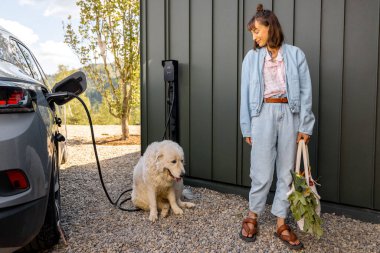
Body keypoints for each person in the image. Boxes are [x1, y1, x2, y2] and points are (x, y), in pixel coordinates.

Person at [239, 3, 315, 250]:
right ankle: (253, 216)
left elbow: (305, 92)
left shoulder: (295, 54)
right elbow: (245, 94)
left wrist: (305, 124)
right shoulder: (251, 58)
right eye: (252, 32)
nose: (254, 36)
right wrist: (247, 127)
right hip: (262, 114)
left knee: (286, 171)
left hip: (289, 114)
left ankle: (281, 222)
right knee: (260, 170)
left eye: (257, 30)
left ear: (270, 28)